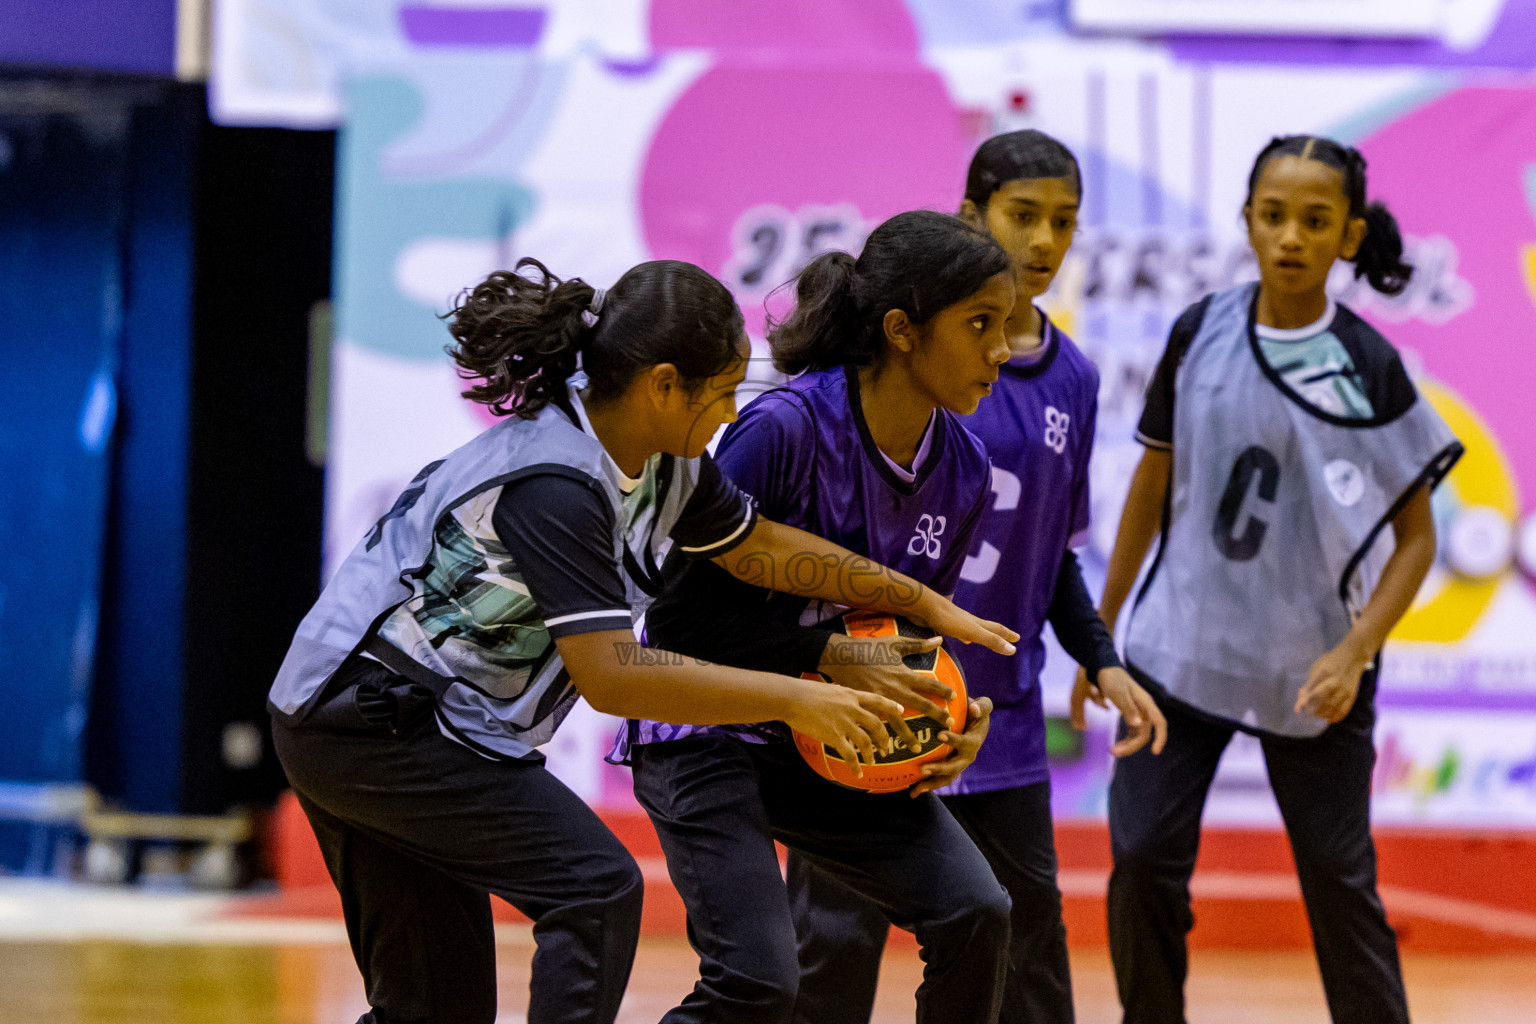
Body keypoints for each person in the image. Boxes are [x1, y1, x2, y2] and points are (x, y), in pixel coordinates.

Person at [266, 256, 1016, 1024]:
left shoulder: (667, 461)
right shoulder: (553, 482)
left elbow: (761, 545)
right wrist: (797, 698)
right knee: (596, 887)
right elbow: (615, 678)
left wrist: (916, 596)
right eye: (722, 392)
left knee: (432, 1009)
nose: (730, 416)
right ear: (664, 385)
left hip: (402, 721)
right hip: (363, 717)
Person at [784, 130, 1168, 1024]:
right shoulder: (907, 369)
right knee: (833, 945)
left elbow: (1055, 549)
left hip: (1003, 717)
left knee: (1025, 954)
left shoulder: (1071, 377)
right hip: (877, 699)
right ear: (971, 217)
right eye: (1022, 216)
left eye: (1063, 223)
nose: (1042, 242)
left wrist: (1102, 657)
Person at [1086, 135, 1463, 1024]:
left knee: (1339, 885)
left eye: (1315, 220)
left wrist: (1355, 652)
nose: (1291, 236)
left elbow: (1416, 541)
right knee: (1139, 858)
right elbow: (1150, 482)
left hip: (1313, 670)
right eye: (1273, 215)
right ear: (1248, 221)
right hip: (1181, 650)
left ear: (1348, 234)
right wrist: (1098, 637)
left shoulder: (1369, 366)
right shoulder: (1199, 332)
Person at [615, 210, 1022, 1024]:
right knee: (761, 981)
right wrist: (821, 655)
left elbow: (897, 645)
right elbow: (679, 629)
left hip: (822, 739)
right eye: (980, 326)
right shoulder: (782, 430)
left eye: (1005, 326)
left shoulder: (968, 472)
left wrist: (948, 719)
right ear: (903, 330)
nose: (1001, 351)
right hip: (709, 731)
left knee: (977, 911)